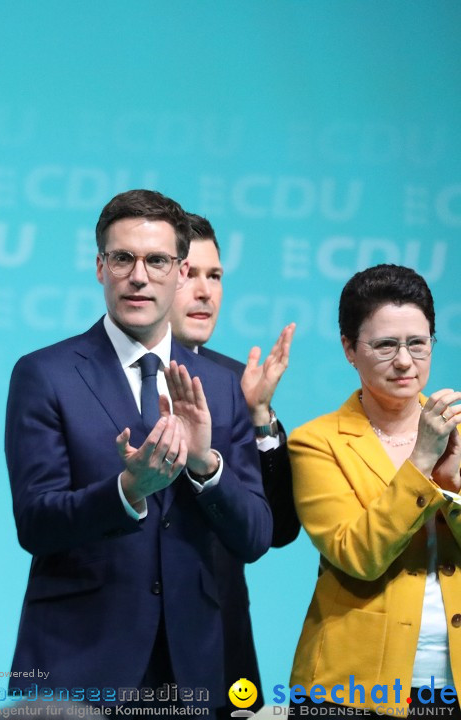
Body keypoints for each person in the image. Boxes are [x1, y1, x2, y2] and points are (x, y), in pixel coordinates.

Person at [5, 189, 272, 717]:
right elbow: (36, 523)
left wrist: (205, 466)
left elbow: (255, 536)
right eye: (123, 258)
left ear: (180, 271)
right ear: (99, 267)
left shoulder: (222, 386)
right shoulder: (45, 374)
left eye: (157, 261)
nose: (139, 276)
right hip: (77, 663)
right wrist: (127, 491)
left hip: (191, 669)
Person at [289, 264, 461, 716]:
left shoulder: (460, 435)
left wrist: (454, 491)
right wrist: (421, 463)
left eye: (418, 343)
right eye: (386, 345)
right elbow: (358, 555)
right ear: (349, 348)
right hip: (350, 689)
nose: (404, 361)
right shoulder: (317, 442)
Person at [168, 213, 300, 712]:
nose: (205, 292)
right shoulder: (102, 374)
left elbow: (278, 529)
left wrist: (260, 417)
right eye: (189, 274)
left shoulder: (235, 383)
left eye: (215, 276)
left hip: (220, 643)